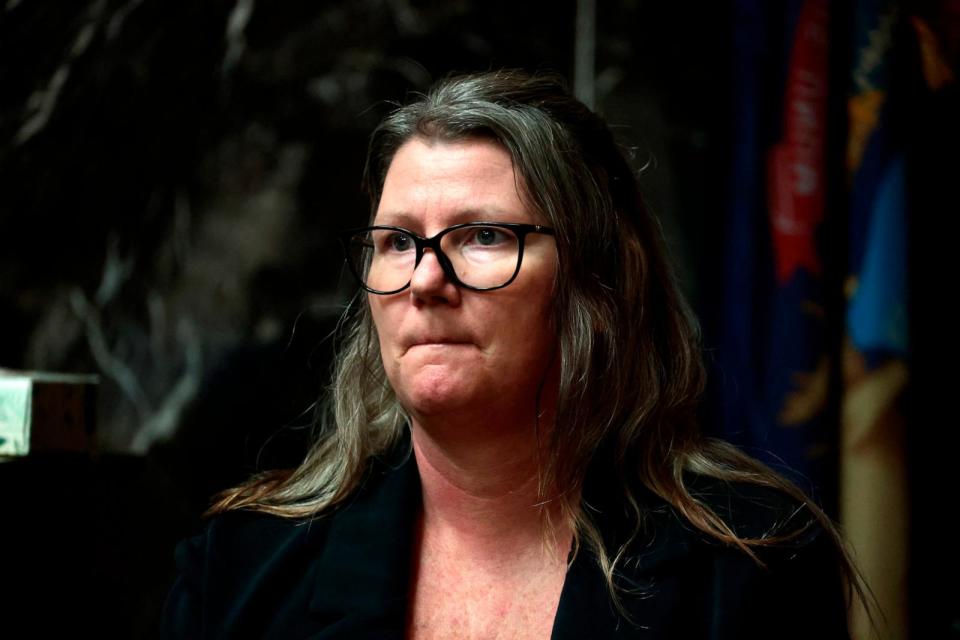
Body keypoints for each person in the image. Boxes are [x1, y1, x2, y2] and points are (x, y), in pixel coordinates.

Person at [162, 70, 866, 639]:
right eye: (398, 242)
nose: (425, 279)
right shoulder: (237, 571)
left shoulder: (750, 567)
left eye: (484, 236)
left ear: (597, 280)